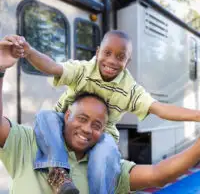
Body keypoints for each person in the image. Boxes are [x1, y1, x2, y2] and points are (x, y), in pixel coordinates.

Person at [6, 30, 200, 194]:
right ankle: (58, 171)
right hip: (62, 122)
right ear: (98, 52)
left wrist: (197, 115)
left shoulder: (129, 89)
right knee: (45, 117)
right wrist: (29, 52)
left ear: (128, 62)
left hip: (103, 133)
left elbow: (160, 109)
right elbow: (52, 67)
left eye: (120, 57)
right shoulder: (83, 69)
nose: (112, 61)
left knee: (107, 149)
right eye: (107, 53)